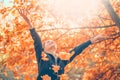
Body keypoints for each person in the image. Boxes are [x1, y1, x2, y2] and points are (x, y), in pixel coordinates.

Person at [18, 9, 108, 80]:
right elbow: (37, 41)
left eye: (52, 41)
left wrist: (91, 40)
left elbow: (76, 51)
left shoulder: (62, 60)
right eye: (48, 42)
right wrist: (29, 22)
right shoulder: (42, 56)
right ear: (43, 49)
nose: (51, 41)